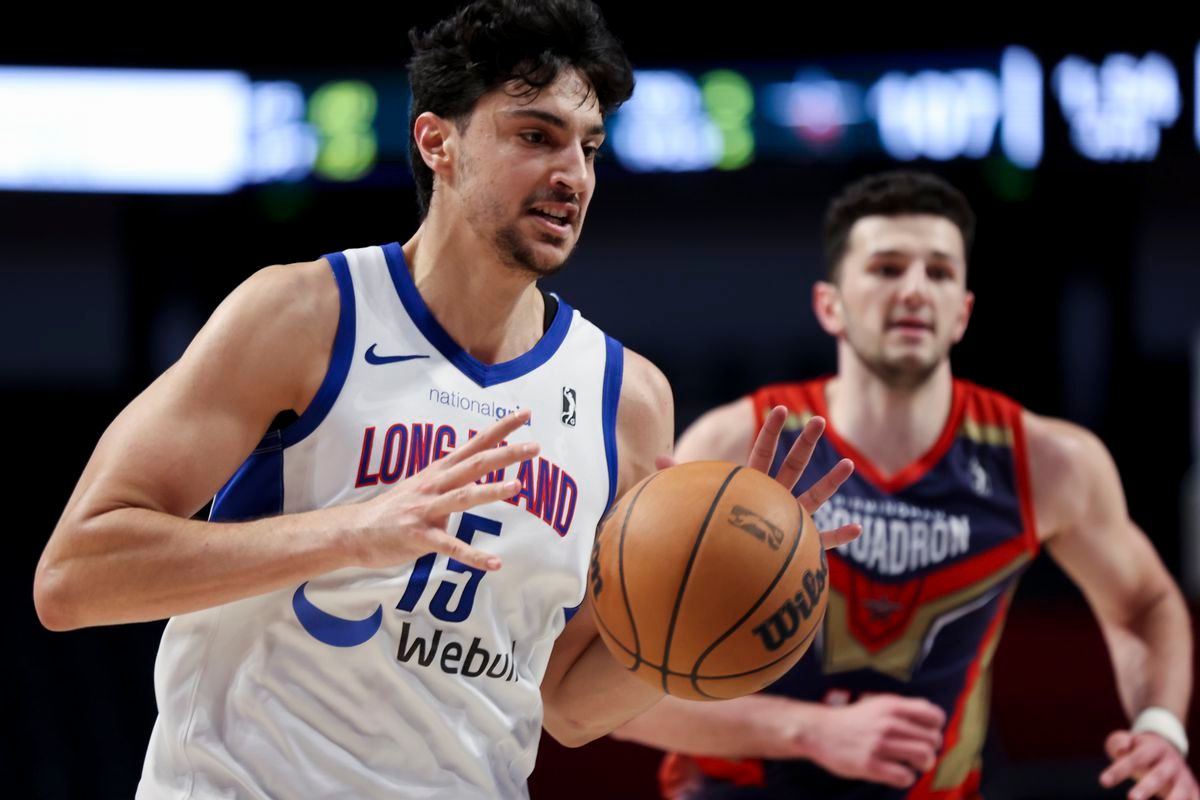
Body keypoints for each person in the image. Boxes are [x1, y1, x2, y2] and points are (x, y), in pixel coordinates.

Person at [32, 2, 856, 797]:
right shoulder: (305, 315)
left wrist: (738, 599)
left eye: (590, 147)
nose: (571, 174)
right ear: (439, 142)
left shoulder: (626, 398)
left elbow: (567, 702)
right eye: (535, 135)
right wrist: (352, 531)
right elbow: (75, 576)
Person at [614, 170, 1197, 800]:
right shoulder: (735, 445)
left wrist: (1162, 730)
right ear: (828, 304)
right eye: (887, 268)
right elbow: (617, 683)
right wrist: (809, 730)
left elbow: (1145, 602)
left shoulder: (1045, 461)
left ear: (963, 313)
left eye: (940, 273)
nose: (916, 290)